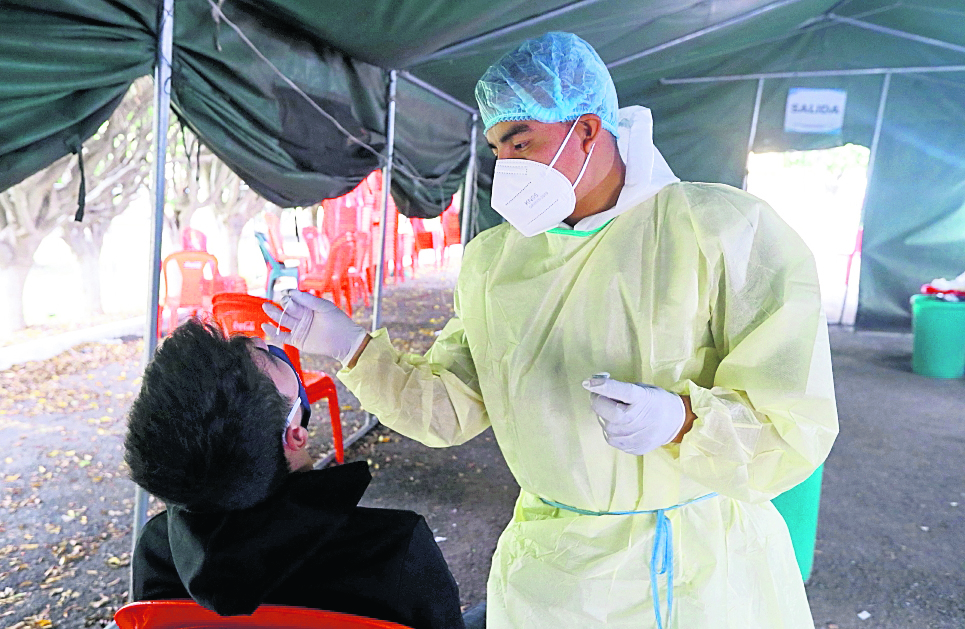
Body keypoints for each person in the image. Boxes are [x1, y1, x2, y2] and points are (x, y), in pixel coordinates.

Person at [264, 32, 838, 629]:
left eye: (520, 142)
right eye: (496, 150)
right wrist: (351, 348)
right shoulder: (496, 263)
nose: (506, 167)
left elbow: (792, 423)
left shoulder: (721, 231)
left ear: (587, 129)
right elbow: (450, 408)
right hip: (556, 577)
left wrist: (683, 421)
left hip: (699, 571)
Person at [124, 320, 466, 629]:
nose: (258, 339)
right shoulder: (395, 548)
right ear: (295, 435)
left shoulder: (157, 552)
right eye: (268, 358)